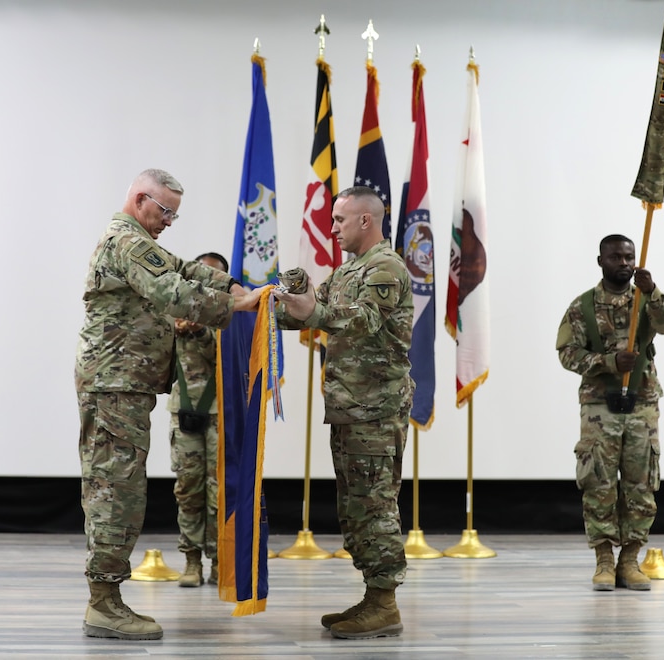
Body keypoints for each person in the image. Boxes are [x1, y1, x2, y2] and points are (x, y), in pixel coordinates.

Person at [75, 169, 260, 640]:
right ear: (141, 200)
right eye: (166, 212)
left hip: (124, 385)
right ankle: (104, 603)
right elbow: (173, 292)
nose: (170, 222)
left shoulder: (140, 241)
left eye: (175, 214)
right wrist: (236, 306)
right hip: (114, 384)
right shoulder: (127, 241)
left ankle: (108, 599)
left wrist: (233, 282)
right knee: (115, 492)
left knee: (123, 488)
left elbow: (181, 267)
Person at [273, 186, 414, 640]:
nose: (331, 228)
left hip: (375, 409)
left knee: (374, 505)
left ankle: (385, 603)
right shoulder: (349, 269)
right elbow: (313, 312)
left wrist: (312, 309)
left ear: (365, 221)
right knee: (355, 507)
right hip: (352, 408)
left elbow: (362, 320)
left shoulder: (385, 268)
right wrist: (260, 304)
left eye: (338, 219)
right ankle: (373, 597)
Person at [556, 234, 664, 591]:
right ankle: (604, 561)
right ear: (601, 261)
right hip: (599, 407)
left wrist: (653, 290)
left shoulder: (645, 300)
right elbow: (567, 353)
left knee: (640, 483)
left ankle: (630, 560)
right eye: (615, 257)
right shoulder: (582, 307)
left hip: (642, 404)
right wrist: (607, 361)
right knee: (599, 483)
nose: (624, 263)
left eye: (629, 257)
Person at [167, 251, 229, 588]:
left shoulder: (229, 314)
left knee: (218, 491)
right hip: (185, 410)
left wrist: (202, 331)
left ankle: (220, 559)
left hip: (220, 413)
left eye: (213, 276)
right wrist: (176, 329)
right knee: (187, 488)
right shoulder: (175, 309)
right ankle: (191, 561)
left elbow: (228, 361)